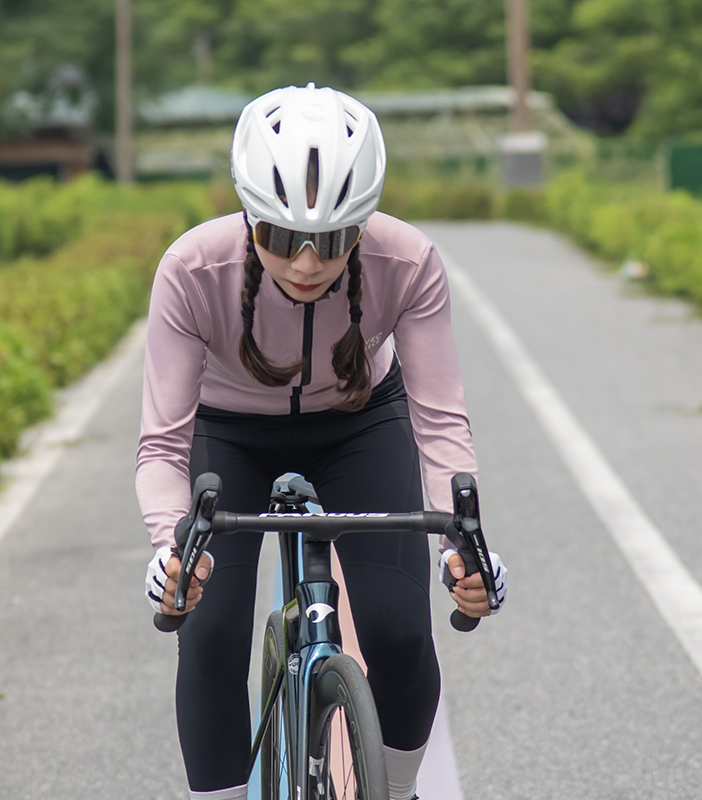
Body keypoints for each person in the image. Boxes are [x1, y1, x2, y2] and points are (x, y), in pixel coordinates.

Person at [137, 83, 507, 800]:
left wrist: (464, 545)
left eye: (333, 241)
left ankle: (395, 791)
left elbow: (439, 422)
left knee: (400, 634)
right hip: (229, 434)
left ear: (363, 228)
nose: (306, 264)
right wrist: (167, 547)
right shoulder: (190, 269)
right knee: (208, 634)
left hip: (359, 423)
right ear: (248, 220)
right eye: (280, 238)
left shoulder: (410, 261)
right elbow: (162, 444)